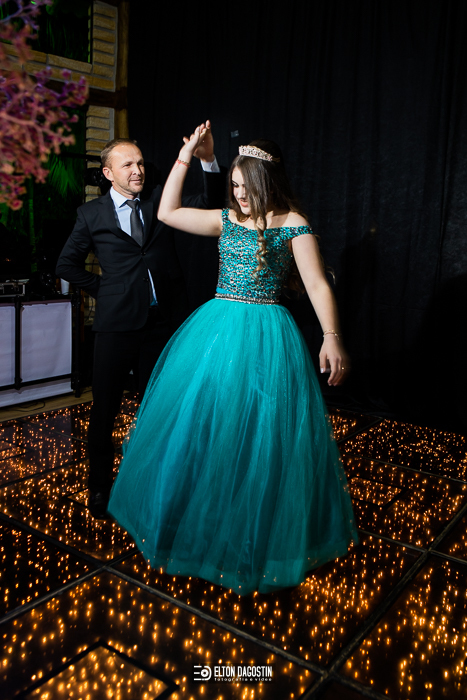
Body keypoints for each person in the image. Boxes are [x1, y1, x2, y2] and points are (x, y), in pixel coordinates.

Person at [108, 125, 358, 595]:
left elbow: (317, 284)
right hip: (218, 329)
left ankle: (255, 532)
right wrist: (186, 154)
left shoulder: (293, 223)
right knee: (207, 424)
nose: (240, 194)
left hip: (267, 335)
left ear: (267, 182)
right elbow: (167, 211)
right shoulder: (226, 220)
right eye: (235, 185)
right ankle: (200, 522)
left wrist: (332, 337)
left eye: (247, 185)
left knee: (261, 431)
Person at [56, 124, 225, 519]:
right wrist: (106, 289)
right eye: (128, 165)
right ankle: (100, 488)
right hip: (116, 326)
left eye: (141, 163)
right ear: (108, 173)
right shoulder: (90, 214)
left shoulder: (159, 200)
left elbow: (211, 202)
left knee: (162, 407)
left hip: (163, 324)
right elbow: (66, 265)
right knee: (105, 410)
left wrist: (208, 161)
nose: (138, 170)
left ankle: (157, 483)